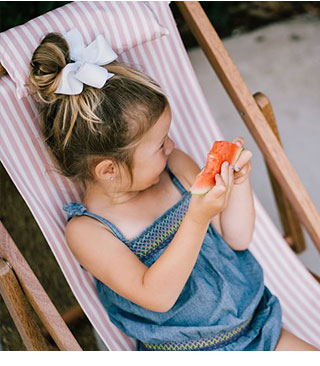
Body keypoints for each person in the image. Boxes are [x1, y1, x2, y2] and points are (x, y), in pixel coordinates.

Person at [28, 30, 318, 351]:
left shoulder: (177, 168)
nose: (173, 145)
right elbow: (158, 297)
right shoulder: (89, 232)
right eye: (159, 145)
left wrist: (237, 185)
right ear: (109, 169)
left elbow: (236, 238)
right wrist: (195, 218)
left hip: (256, 323)